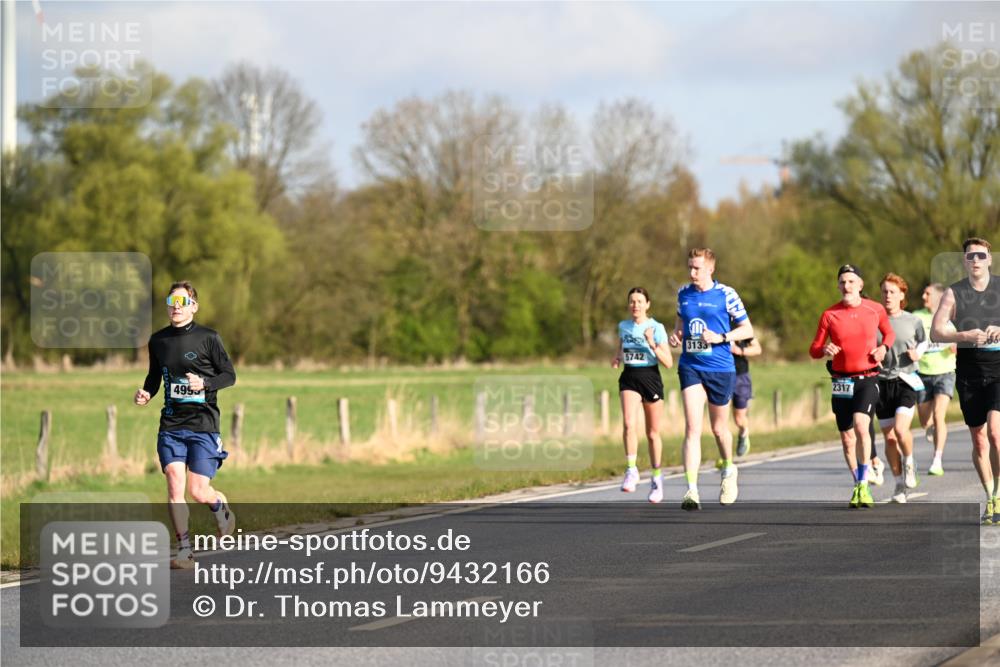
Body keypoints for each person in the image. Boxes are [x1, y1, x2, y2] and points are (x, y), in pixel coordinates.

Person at [135, 281, 238, 568]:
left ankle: (221, 509)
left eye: (182, 302)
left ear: (193, 305)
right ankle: (184, 551)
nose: (176, 307)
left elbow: (229, 376)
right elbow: (155, 376)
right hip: (171, 424)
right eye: (171, 301)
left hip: (203, 424)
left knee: (198, 490)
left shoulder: (208, 338)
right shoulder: (158, 341)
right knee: (174, 485)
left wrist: (204, 383)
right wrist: (146, 393)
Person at [669, 248, 754, 510]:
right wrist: (676, 337)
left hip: (720, 367)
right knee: (692, 428)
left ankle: (729, 469)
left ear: (710, 269)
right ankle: (691, 490)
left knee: (719, 429)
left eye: (697, 268)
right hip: (691, 366)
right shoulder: (683, 293)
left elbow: (747, 329)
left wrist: (721, 338)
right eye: (690, 267)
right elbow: (680, 326)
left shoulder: (726, 294)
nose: (692, 273)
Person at [809, 264, 893, 509]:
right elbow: (814, 349)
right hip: (840, 382)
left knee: (860, 425)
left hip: (867, 377)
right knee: (847, 438)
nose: (846, 286)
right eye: (842, 282)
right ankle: (858, 483)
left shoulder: (874, 309)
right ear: (838, 285)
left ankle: (865, 483)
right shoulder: (829, 314)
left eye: (851, 281)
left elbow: (888, 334)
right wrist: (824, 349)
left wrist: (883, 348)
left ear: (860, 285)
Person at [931, 238, 1000, 525]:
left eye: (981, 255)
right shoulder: (954, 292)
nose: (975, 260)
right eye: (970, 255)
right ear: (964, 260)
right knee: (979, 439)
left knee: (996, 432)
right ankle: (990, 498)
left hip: (999, 369)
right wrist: (964, 336)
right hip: (969, 372)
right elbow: (936, 331)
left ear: (989, 260)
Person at [613, 287, 673, 503]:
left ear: (648, 304)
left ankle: (657, 477)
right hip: (629, 377)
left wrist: (651, 343)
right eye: (632, 301)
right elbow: (621, 344)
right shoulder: (623, 326)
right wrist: (617, 357)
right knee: (629, 423)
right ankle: (631, 470)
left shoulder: (656, 327)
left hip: (650, 378)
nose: (635, 305)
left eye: (639, 301)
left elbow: (668, 362)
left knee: (652, 433)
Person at [874, 273, 926, 503]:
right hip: (881, 383)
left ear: (902, 294)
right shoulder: (874, 320)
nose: (887, 296)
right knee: (889, 439)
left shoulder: (912, 320)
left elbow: (924, 340)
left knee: (901, 431)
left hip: (906, 380)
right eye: (884, 291)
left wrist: (919, 353)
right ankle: (898, 484)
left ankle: (910, 461)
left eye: (892, 292)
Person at [913, 283, 957, 476]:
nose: (923, 295)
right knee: (924, 421)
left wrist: (955, 344)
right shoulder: (916, 316)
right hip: (922, 373)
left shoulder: (948, 318)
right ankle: (930, 427)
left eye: (927, 293)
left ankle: (937, 460)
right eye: (924, 292)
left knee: (940, 415)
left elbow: (958, 339)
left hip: (945, 372)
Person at [731, 324, 762, 458]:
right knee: (719, 419)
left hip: (740, 376)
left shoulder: (741, 328)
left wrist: (740, 350)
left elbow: (758, 349)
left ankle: (743, 432)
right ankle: (725, 455)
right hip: (721, 375)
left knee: (739, 418)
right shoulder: (715, 325)